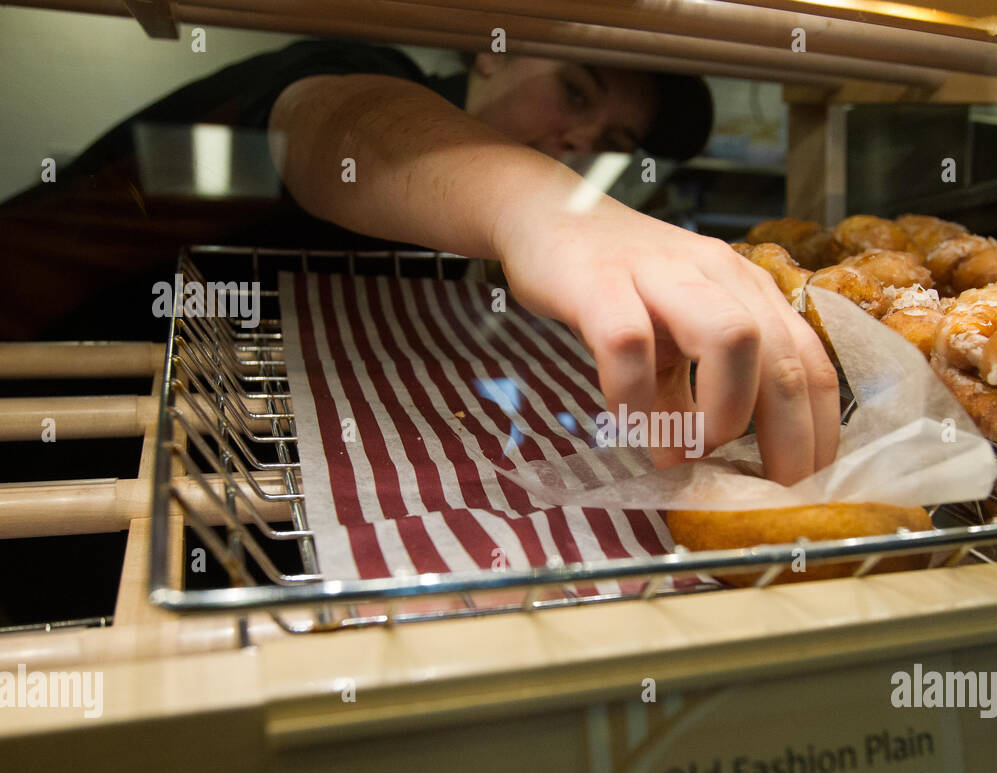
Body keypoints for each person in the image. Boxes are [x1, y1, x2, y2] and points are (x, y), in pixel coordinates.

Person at [0, 40, 839, 485]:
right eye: (576, 93)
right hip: (44, 397)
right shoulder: (359, 74)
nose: (583, 141)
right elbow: (336, 122)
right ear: (492, 47)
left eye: (612, 144)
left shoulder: (455, 251)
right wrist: (541, 206)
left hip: (193, 465)